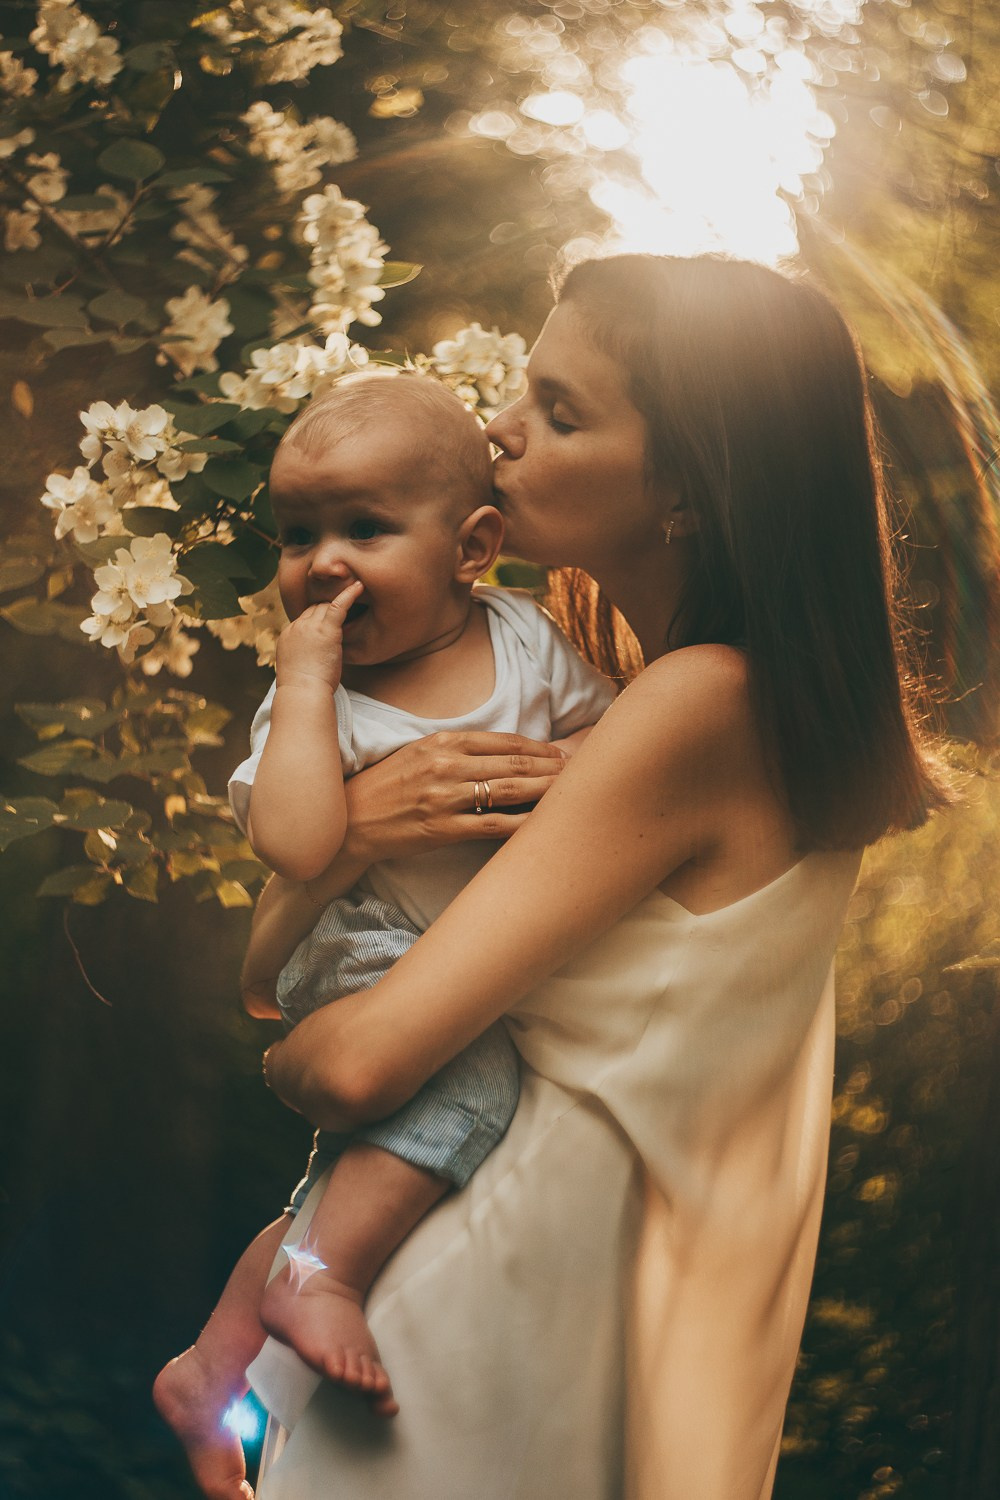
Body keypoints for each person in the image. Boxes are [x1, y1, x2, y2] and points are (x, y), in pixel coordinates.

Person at [242, 253, 950, 1500]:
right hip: (554, 1299)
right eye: (522, 390)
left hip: (493, 1290)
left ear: (687, 481)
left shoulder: (694, 706)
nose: (498, 434)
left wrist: (287, 1058)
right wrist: (351, 836)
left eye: (561, 412)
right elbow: (281, 964)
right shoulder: (670, 703)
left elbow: (344, 1057)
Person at [153, 372, 615, 1500]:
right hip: (364, 950)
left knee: (360, 1165)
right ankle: (321, 1278)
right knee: (474, 1077)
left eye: (365, 527)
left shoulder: (527, 642)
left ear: (472, 547)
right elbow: (301, 847)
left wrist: (562, 776)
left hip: (461, 954)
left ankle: (214, 1361)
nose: (323, 563)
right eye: (297, 533)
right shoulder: (320, 697)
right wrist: (302, 686)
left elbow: (608, 756)